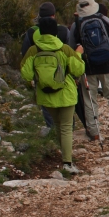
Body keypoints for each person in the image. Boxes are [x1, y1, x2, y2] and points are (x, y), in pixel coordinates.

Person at [20, 17, 85, 174]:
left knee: (57, 125)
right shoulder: (64, 49)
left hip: (46, 96)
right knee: (66, 127)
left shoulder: (33, 51)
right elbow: (78, 70)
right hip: (66, 93)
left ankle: (64, 155)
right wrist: (79, 55)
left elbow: (26, 74)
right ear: (55, 32)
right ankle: (67, 163)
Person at [69, 0, 109, 140]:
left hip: (88, 67)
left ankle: (94, 131)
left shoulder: (76, 25)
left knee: (90, 99)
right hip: (107, 64)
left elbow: (71, 47)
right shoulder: (104, 20)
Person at [21, 2, 72, 128]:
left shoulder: (32, 32)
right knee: (64, 99)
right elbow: (70, 51)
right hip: (62, 73)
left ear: (39, 16)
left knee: (46, 101)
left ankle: (52, 128)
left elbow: (25, 54)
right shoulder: (63, 30)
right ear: (54, 15)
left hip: (41, 73)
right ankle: (68, 128)